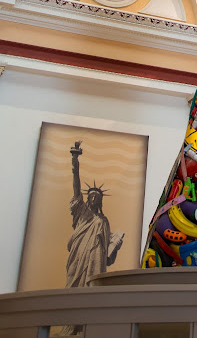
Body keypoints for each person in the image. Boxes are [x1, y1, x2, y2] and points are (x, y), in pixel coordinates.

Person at [60, 142, 124, 334]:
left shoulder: (103, 221)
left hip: (96, 260)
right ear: (87, 199)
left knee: (94, 289)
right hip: (79, 255)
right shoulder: (82, 212)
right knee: (73, 286)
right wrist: (75, 161)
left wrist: (115, 244)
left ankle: (88, 327)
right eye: (92, 196)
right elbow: (76, 186)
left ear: (101, 201)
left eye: (97, 196)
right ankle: (70, 326)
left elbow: (107, 252)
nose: (94, 198)